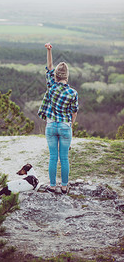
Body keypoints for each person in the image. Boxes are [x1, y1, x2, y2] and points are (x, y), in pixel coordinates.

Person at [38, 43, 78, 193]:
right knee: (64, 158)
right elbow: (74, 112)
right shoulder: (73, 93)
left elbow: (49, 66)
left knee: (53, 157)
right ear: (67, 76)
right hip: (65, 126)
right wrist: (70, 126)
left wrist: (49, 50)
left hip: (51, 126)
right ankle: (64, 186)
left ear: (55, 76)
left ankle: (52, 185)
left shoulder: (51, 86)